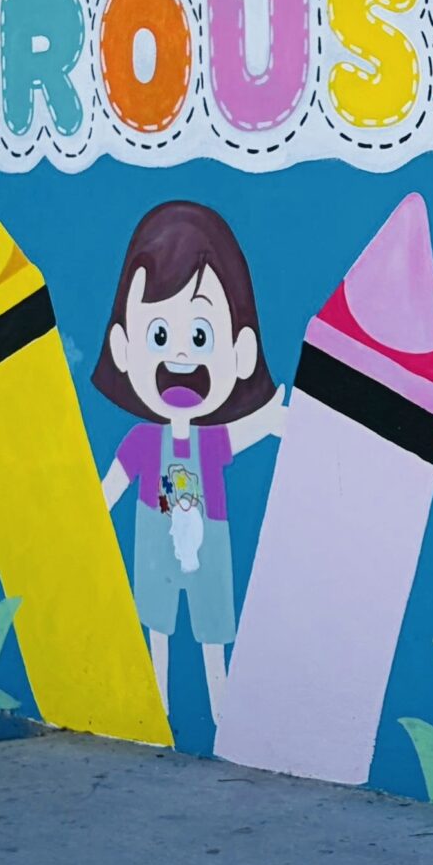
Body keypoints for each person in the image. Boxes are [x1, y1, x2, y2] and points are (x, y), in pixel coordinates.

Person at [92, 201, 288, 727]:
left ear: (241, 353)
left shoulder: (210, 442)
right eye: (159, 336)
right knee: (157, 630)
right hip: (155, 544)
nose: (180, 357)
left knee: (211, 631)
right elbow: (109, 488)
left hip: (209, 545)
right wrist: (85, 518)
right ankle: (157, 704)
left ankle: (221, 710)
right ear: (124, 347)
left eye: (200, 337)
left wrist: (271, 420)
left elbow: (243, 434)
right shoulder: (142, 442)